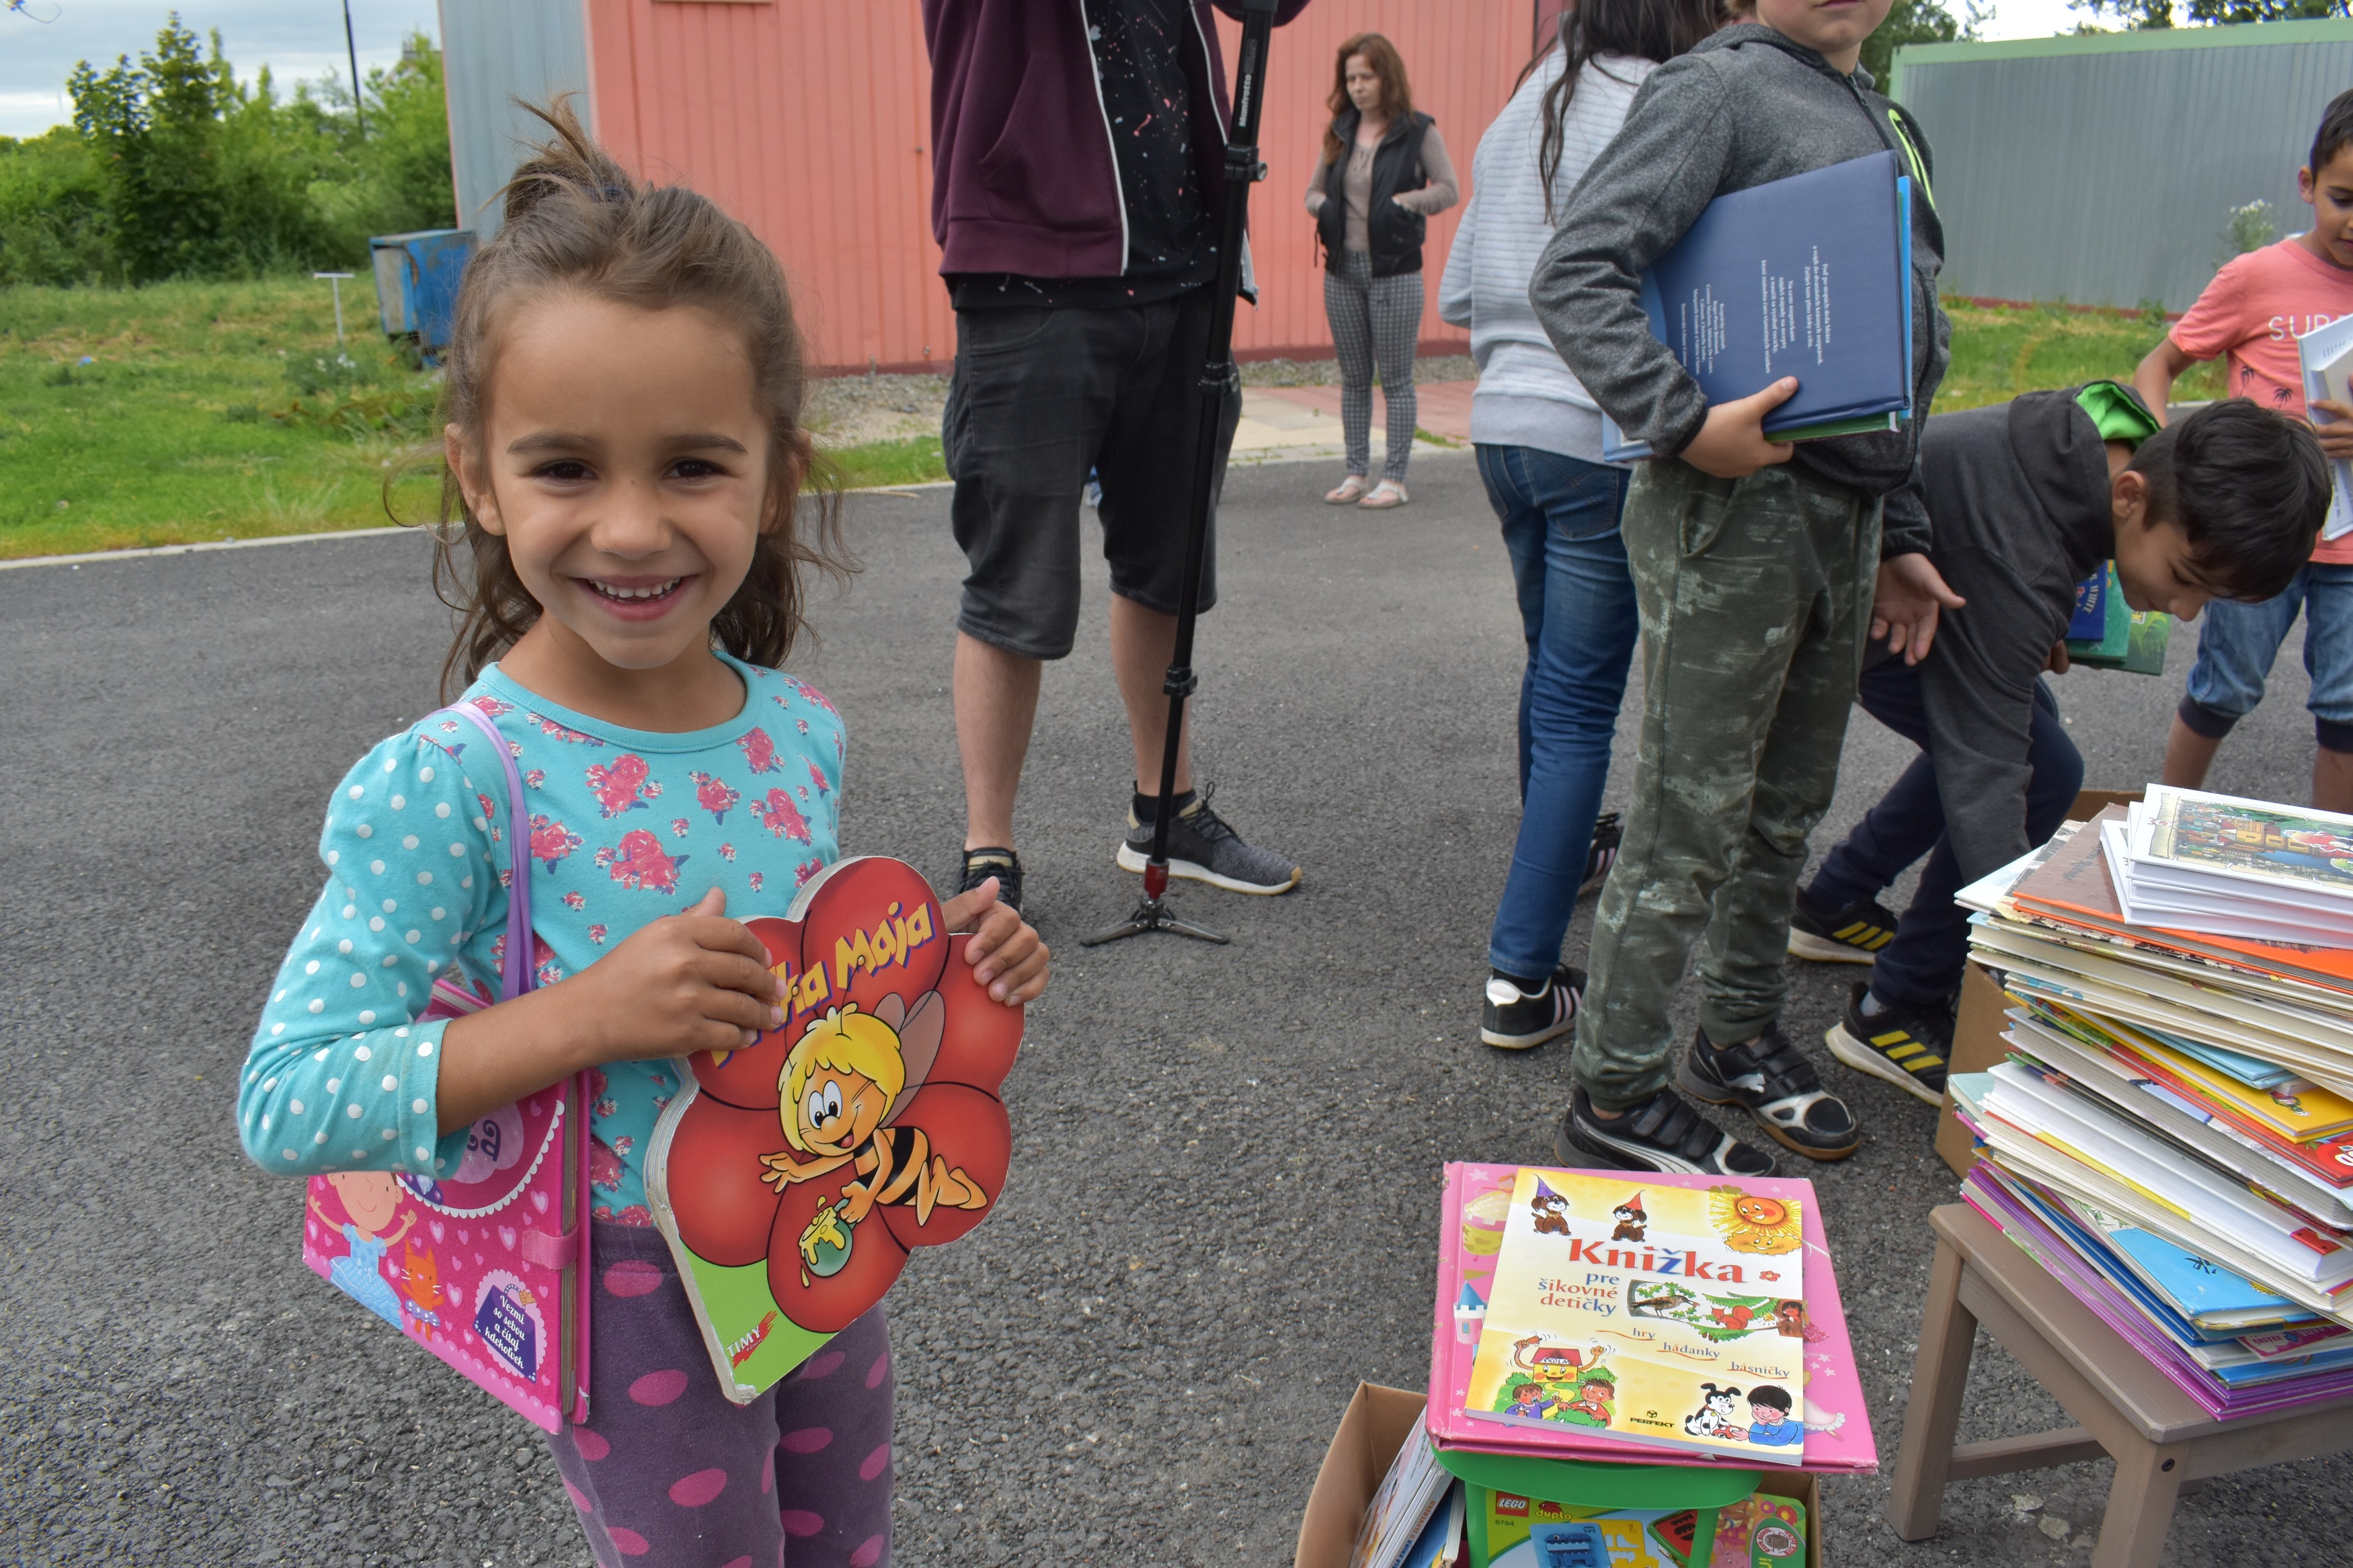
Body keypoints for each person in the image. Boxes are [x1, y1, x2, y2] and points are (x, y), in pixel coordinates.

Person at [235, 106, 1051, 1568]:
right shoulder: (456, 780)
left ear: (776, 473)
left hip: (814, 1229)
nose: (628, 528)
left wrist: (945, 961)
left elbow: (797, 989)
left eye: (689, 466)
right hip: (625, 1289)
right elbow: (287, 1098)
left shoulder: (796, 727)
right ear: (478, 475)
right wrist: (585, 1016)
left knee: (847, 1541)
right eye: (564, 467)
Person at [1530, 0, 1955, 1177]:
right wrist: (1680, 421)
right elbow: (1576, 273)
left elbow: (1902, 344)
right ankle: (1618, 1093)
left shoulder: (1884, 115)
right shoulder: (1719, 89)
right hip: (1738, 508)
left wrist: (1901, 526)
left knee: (1784, 808)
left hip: (1847, 514)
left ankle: (1736, 1033)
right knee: (1690, 817)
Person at [1799, 392, 2326, 1100]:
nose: (2184, 612)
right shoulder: (2017, 559)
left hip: (1916, 576)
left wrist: (2028, 620)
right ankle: (1894, 1005)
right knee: (2040, 766)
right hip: (1844, 607)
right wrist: (2026, 950)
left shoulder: (2094, 444)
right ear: (2130, 495)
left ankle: (1832, 901)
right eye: (2184, 579)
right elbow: (1985, 773)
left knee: (2030, 725)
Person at [923, 0, 1311, 915]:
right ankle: (988, 850)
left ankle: (1166, 810)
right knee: (1016, 578)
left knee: (1168, 566)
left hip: (1184, 262)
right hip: (1028, 266)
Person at [1437, 0, 1721, 1052]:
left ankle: (1562, 860)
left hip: (1500, 429)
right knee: (1578, 706)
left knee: (1551, 678)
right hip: (1597, 431)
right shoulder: (1668, 100)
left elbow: (1458, 293)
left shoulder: (1526, 104)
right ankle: (1519, 980)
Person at [2135, 90, 2353, 817]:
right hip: (2250, 534)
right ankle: (2162, 824)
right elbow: (2158, 365)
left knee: (2346, 706)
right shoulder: (2256, 277)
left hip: (2349, 546)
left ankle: (2336, 862)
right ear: (2306, 183)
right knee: (2224, 686)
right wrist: (2167, 462)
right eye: (2343, 198)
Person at [1304, 32, 1458, 510]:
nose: (1357, 87)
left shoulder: (1418, 131)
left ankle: (1395, 478)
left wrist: (1404, 203)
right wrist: (1324, 208)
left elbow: (1448, 189)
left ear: (1386, 77)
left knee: (1395, 380)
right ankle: (1355, 473)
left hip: (1396, 272)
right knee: (1354, 378)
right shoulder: (1340, 130)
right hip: (1342, 271)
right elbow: (1312, 192)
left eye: (1366, 76)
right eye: (1350, 78)